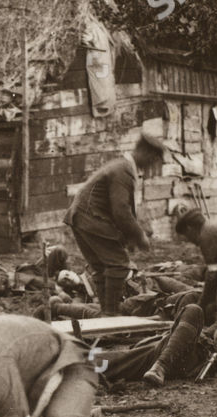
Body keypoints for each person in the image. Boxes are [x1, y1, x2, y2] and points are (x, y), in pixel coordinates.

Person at [66, 132, 166, 316]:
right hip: (90, 217)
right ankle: (111, 314)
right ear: (146, 154)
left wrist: (128, 238)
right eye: (154, 160)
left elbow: (117, 209)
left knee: (102, 266)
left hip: (81, 217)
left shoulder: (122, 166)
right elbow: (121, 210)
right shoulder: (124, 170)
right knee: (118, 265)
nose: (153, 165)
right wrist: (139, 236)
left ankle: (106, 312)